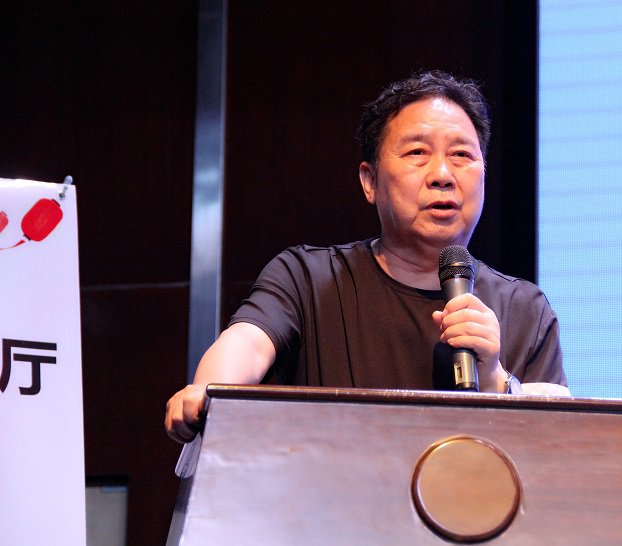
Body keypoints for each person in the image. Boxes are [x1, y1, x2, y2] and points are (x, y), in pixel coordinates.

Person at [165, 70, 568, 443]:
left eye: (461, 155)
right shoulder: (308, 280)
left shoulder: (525, 310)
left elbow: (558, 449)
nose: (443, 175)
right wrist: (207, 391)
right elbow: (248, 344)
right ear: (370, 181)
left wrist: (495, 379)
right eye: (417, 153)